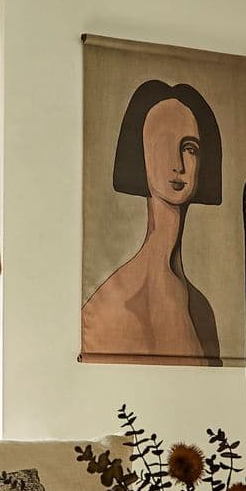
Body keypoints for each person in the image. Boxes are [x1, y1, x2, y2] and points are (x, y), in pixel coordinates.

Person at [82, 80, 223, 366]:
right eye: (161, 144)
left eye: (189, 148)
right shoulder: (111, 305)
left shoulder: (203, 311)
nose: (178, 164)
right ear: (140, 154)